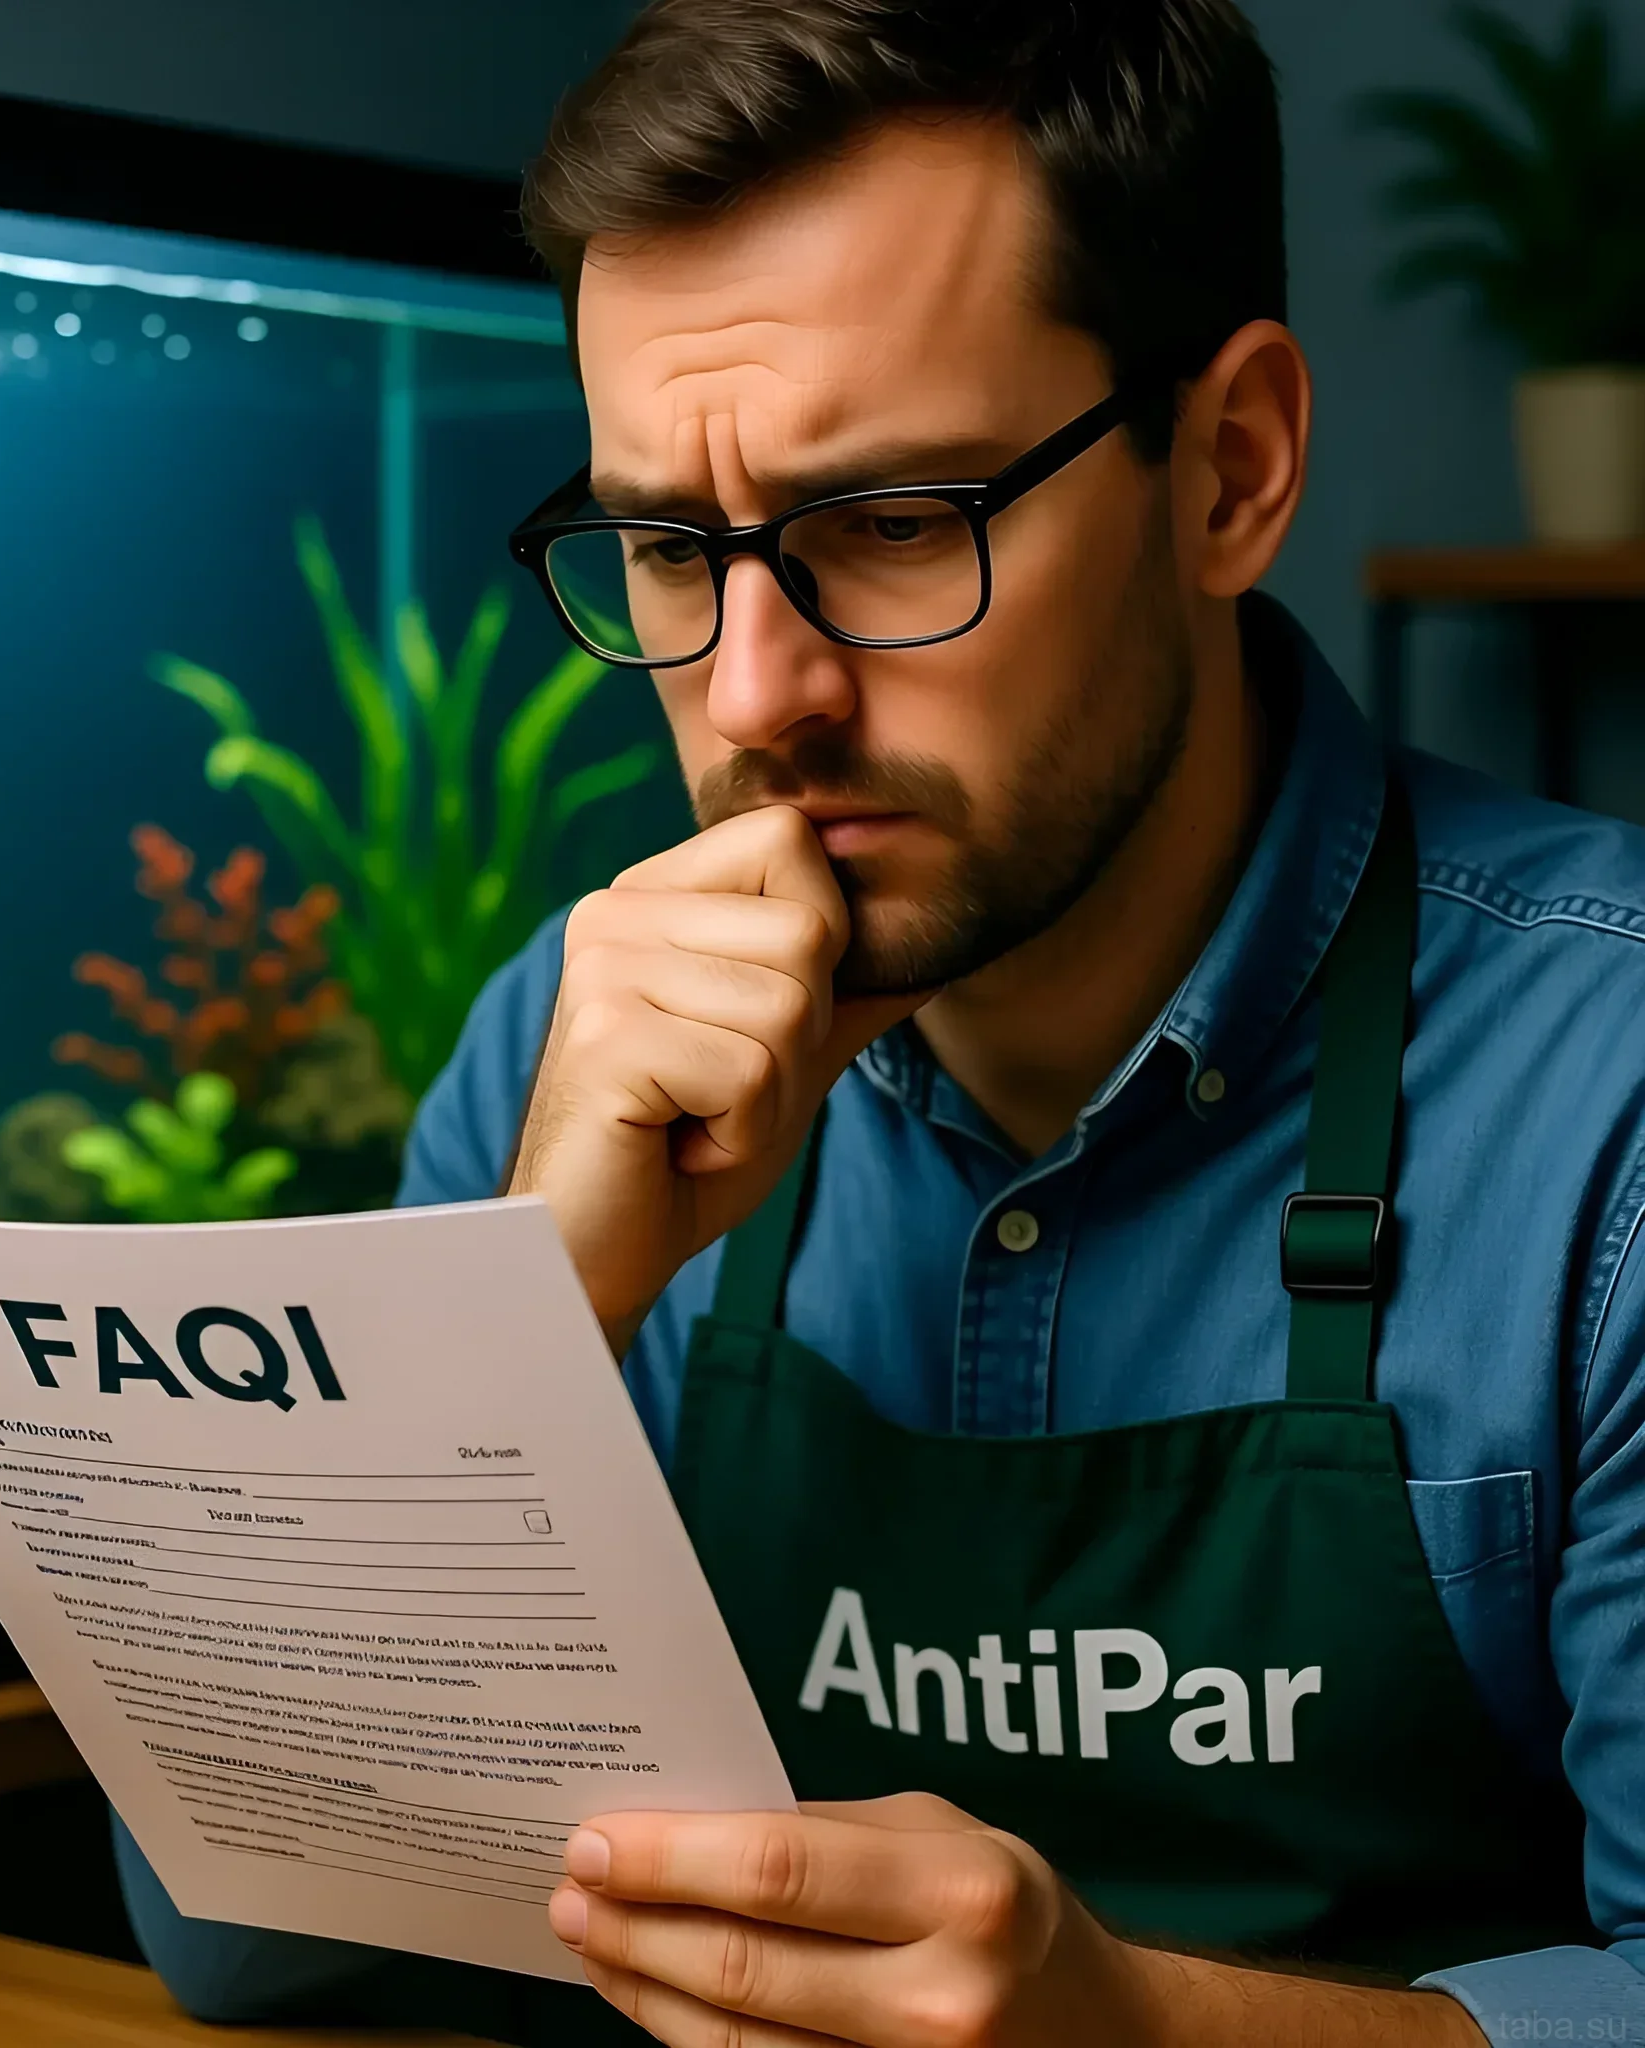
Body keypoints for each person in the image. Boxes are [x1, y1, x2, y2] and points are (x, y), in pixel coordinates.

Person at [115, 2, 1645, 2041]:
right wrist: (532, 1298)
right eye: (668, 549)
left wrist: (1141, 2031)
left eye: (893, 522)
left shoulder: (1604, 1105)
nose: (756, 695)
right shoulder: (561, 1052)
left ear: (1231, 469)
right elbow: (243, 1941)